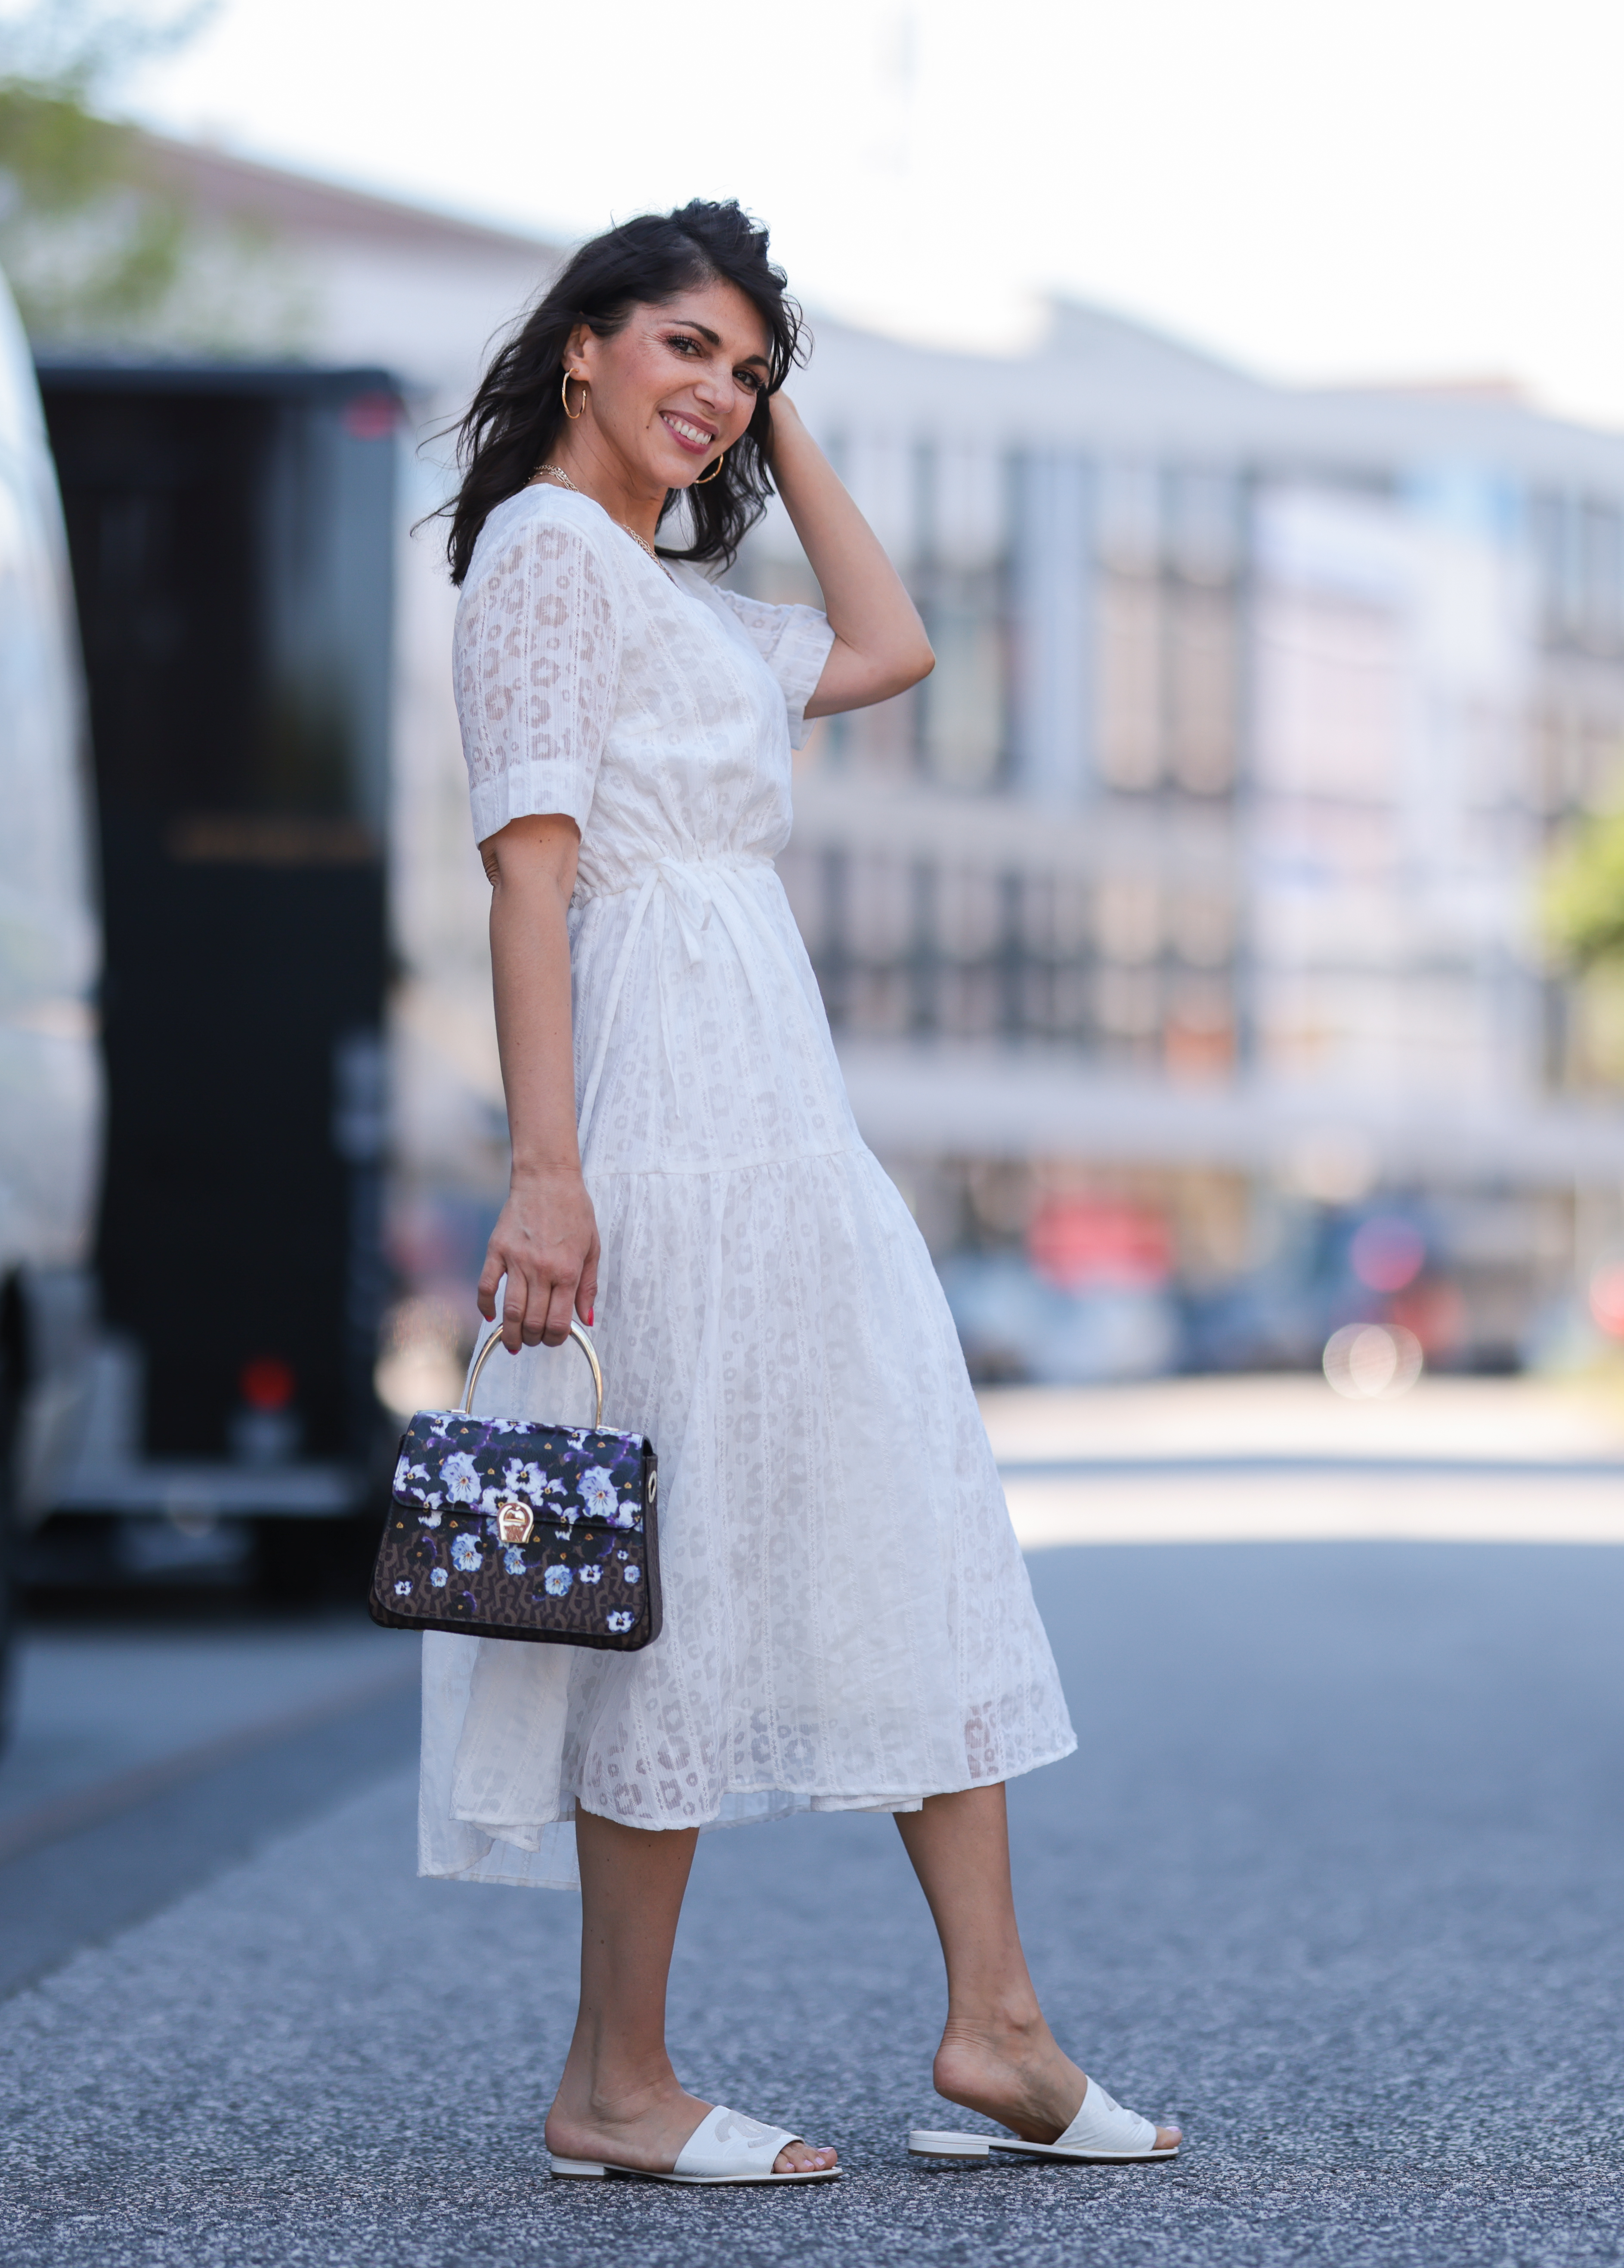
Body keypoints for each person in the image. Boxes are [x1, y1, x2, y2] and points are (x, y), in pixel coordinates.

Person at [430, 200, 1180, 2187]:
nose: (716, 390)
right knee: (669, 1569)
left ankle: (994, 2019)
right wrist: (546, 1172)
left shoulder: (676, 595)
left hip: (776, 1100)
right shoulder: (542, 556)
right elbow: (525, 876)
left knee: (900, 1510)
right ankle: (618, 2075)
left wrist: (772, 423)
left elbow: (892, 641)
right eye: (683, 346)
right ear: (581, 342)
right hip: (659, 1108)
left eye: (746, 367)